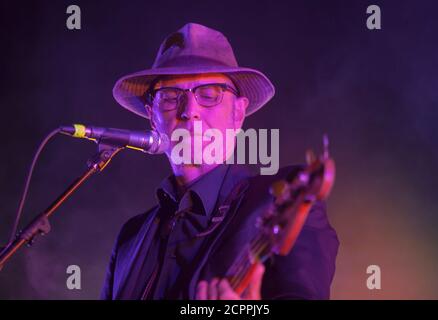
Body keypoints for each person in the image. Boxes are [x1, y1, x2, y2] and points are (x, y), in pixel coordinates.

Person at [101, 23, 339, 300]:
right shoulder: (129, 237)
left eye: (210, 93)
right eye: (169, 97)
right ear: (152, 117)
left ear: (238, 113)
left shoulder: (283, 198)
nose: (190, 111)